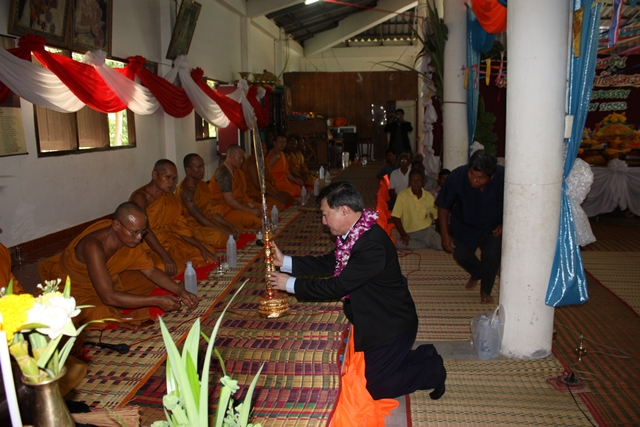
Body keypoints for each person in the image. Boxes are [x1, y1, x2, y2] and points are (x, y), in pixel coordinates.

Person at [267, 182, 446, 400]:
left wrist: (290, 284)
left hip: (391, 325)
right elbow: (330, 262)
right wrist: (285, 261)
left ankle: (432, 370)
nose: (323, 221)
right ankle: (425, 354)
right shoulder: (356, 234)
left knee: (376, 387)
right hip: (376, 318)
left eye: (325, 214)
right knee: (380, 371)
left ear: (344, 211)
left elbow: (338, 286)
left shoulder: (371, 245)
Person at [39, 202, 198, 328]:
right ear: (116, 225)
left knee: (146, 280)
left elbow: (150, 271)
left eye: (142, 232)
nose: (139, 238)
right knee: (101, 313)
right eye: (134, 232)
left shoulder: (129, 242)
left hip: (106, 281)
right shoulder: (93, 246)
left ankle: (125, 299)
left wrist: (180, 291)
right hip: (76, 288)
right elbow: (107, 296)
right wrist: (155, 300)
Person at [436, 150, 504, 304]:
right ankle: (478, 272)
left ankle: (485, 290)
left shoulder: (504, 178)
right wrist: (445, 235)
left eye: (480, 178)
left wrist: (505, 224)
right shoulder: (457, 176)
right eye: (472, 174)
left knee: (491, 255)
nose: (474, 180)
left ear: (491, 176)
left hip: (493, 225)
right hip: (464, 224)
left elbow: (518, 203)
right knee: (460, 254)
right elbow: (443, 206)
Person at [131, 159, 216, 276]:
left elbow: (181, 229)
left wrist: (202, 248)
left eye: (174, 178)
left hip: (169, 240)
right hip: (148, 245)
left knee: (208, 253)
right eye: (167, 177)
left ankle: (176, 260)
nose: (171, 182)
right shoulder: (140, 197)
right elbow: (145, 230)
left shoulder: (169, 199)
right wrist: (165, 257)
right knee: (163, 267)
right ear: (154, 174)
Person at [177, 154, 241, 248]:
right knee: (221, 237)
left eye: (203, 166)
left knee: (237, 227)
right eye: (199, 167)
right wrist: (223, 230)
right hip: (192, 226)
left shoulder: (202, 185)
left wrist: (229, 225)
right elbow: (199, 217)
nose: (203, 170)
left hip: (206, 221)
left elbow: (212, 211)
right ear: (188, 170)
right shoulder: (185, 192)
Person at [209, 145, 263, 229]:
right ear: (230, 156)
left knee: (265, 211)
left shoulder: (237, 171)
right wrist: (250, 211)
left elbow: (242, 193)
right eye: (239, 158)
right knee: (255, 219)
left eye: (243, 158)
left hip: (239, 204)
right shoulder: (223, 173)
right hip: (224, 210)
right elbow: (230, 201)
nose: (242, 161)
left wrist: (251, 205)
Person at [392, 169, 442, 251]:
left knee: (441, 245)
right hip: (408, 232)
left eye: (418, 180)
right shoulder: (402, 195)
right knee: (399, 244)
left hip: (426, 230)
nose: (415, 183)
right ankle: (426, 245)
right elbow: (395, 217)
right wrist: (403, 235)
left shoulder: (429, 196)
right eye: (413, 180)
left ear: (423, 182)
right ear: (409, 182)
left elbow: (437, 217)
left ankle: (425, 243)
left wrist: (441, 233)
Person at [243, 139, 292, 212]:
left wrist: (278, 194)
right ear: (254, 149)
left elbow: (270, 180)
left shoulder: (263, 160)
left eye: (265, 148)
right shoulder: (252, 163)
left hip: (267, 190)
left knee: (287, 196)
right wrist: (276, 196)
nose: (264, 151)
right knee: (277, 204)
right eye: (261, 149)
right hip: (256, 194)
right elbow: (258, 186)